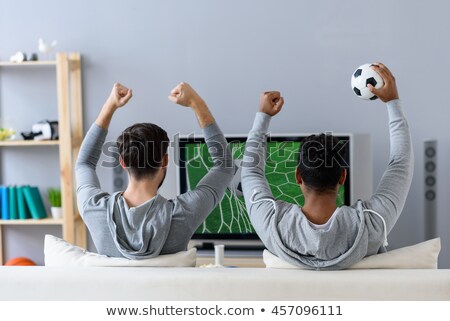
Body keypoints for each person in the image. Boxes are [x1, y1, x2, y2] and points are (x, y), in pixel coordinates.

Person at [241, 63, 413, 270]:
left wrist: (263, 116)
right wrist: (392, 102)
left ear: (298, 176)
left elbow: (250, 171)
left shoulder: (271, 223)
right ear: (342, 176)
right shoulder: (373, 224)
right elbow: (400, 163)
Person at [76, 82, 234, 259]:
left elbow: (84, 163)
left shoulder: (94, 209)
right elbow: (225, 165)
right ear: (165, 161)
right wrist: (197, 104)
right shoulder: (184, 214)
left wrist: (110, 106)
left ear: (122, 162)